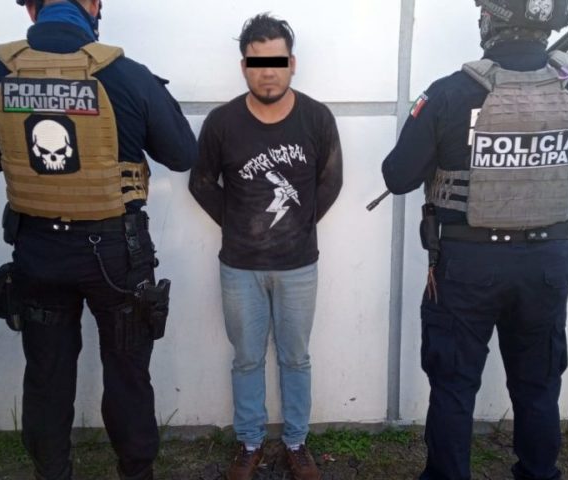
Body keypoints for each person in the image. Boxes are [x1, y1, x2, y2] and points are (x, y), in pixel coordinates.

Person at [0, 1, 197, 479]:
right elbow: (181, 153)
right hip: (117, 255)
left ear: (32, 9)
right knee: (128, 375)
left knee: (46, 378)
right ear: (92, 6)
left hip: (38, 253)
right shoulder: (125, 74)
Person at [381, 1, 568, 479]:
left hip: (468, 264)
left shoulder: (450, 92)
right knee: (539, 385)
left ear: (492, 20)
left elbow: (397, 176)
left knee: (454, 386)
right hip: (547, 263)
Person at [189, 13, 342, 480]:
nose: (268, 73)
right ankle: (250, 442)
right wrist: (237, 224)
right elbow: (200, 182)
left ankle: (296, 443)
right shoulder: (222, 122)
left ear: (292, 63)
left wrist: (299, 225)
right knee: (246, 359)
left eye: (276, 62)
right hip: (240, 267)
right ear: (244, 67)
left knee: (296, 358)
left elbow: (331, 181)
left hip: (299, 266)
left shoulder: (316, 117)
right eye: (257, 63)